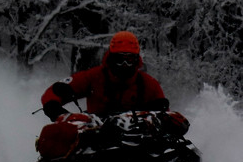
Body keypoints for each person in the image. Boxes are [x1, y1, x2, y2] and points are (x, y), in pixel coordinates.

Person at [40, 30, 169, 121]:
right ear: (111, 58)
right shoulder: (93, 77)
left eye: (129, 59)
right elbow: (56, 90)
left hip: (140, 142)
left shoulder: (148, 84)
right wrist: (55, 110)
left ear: (136, 60)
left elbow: (165, 113)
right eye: (120, 59)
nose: (124, 64)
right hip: (95, 136)